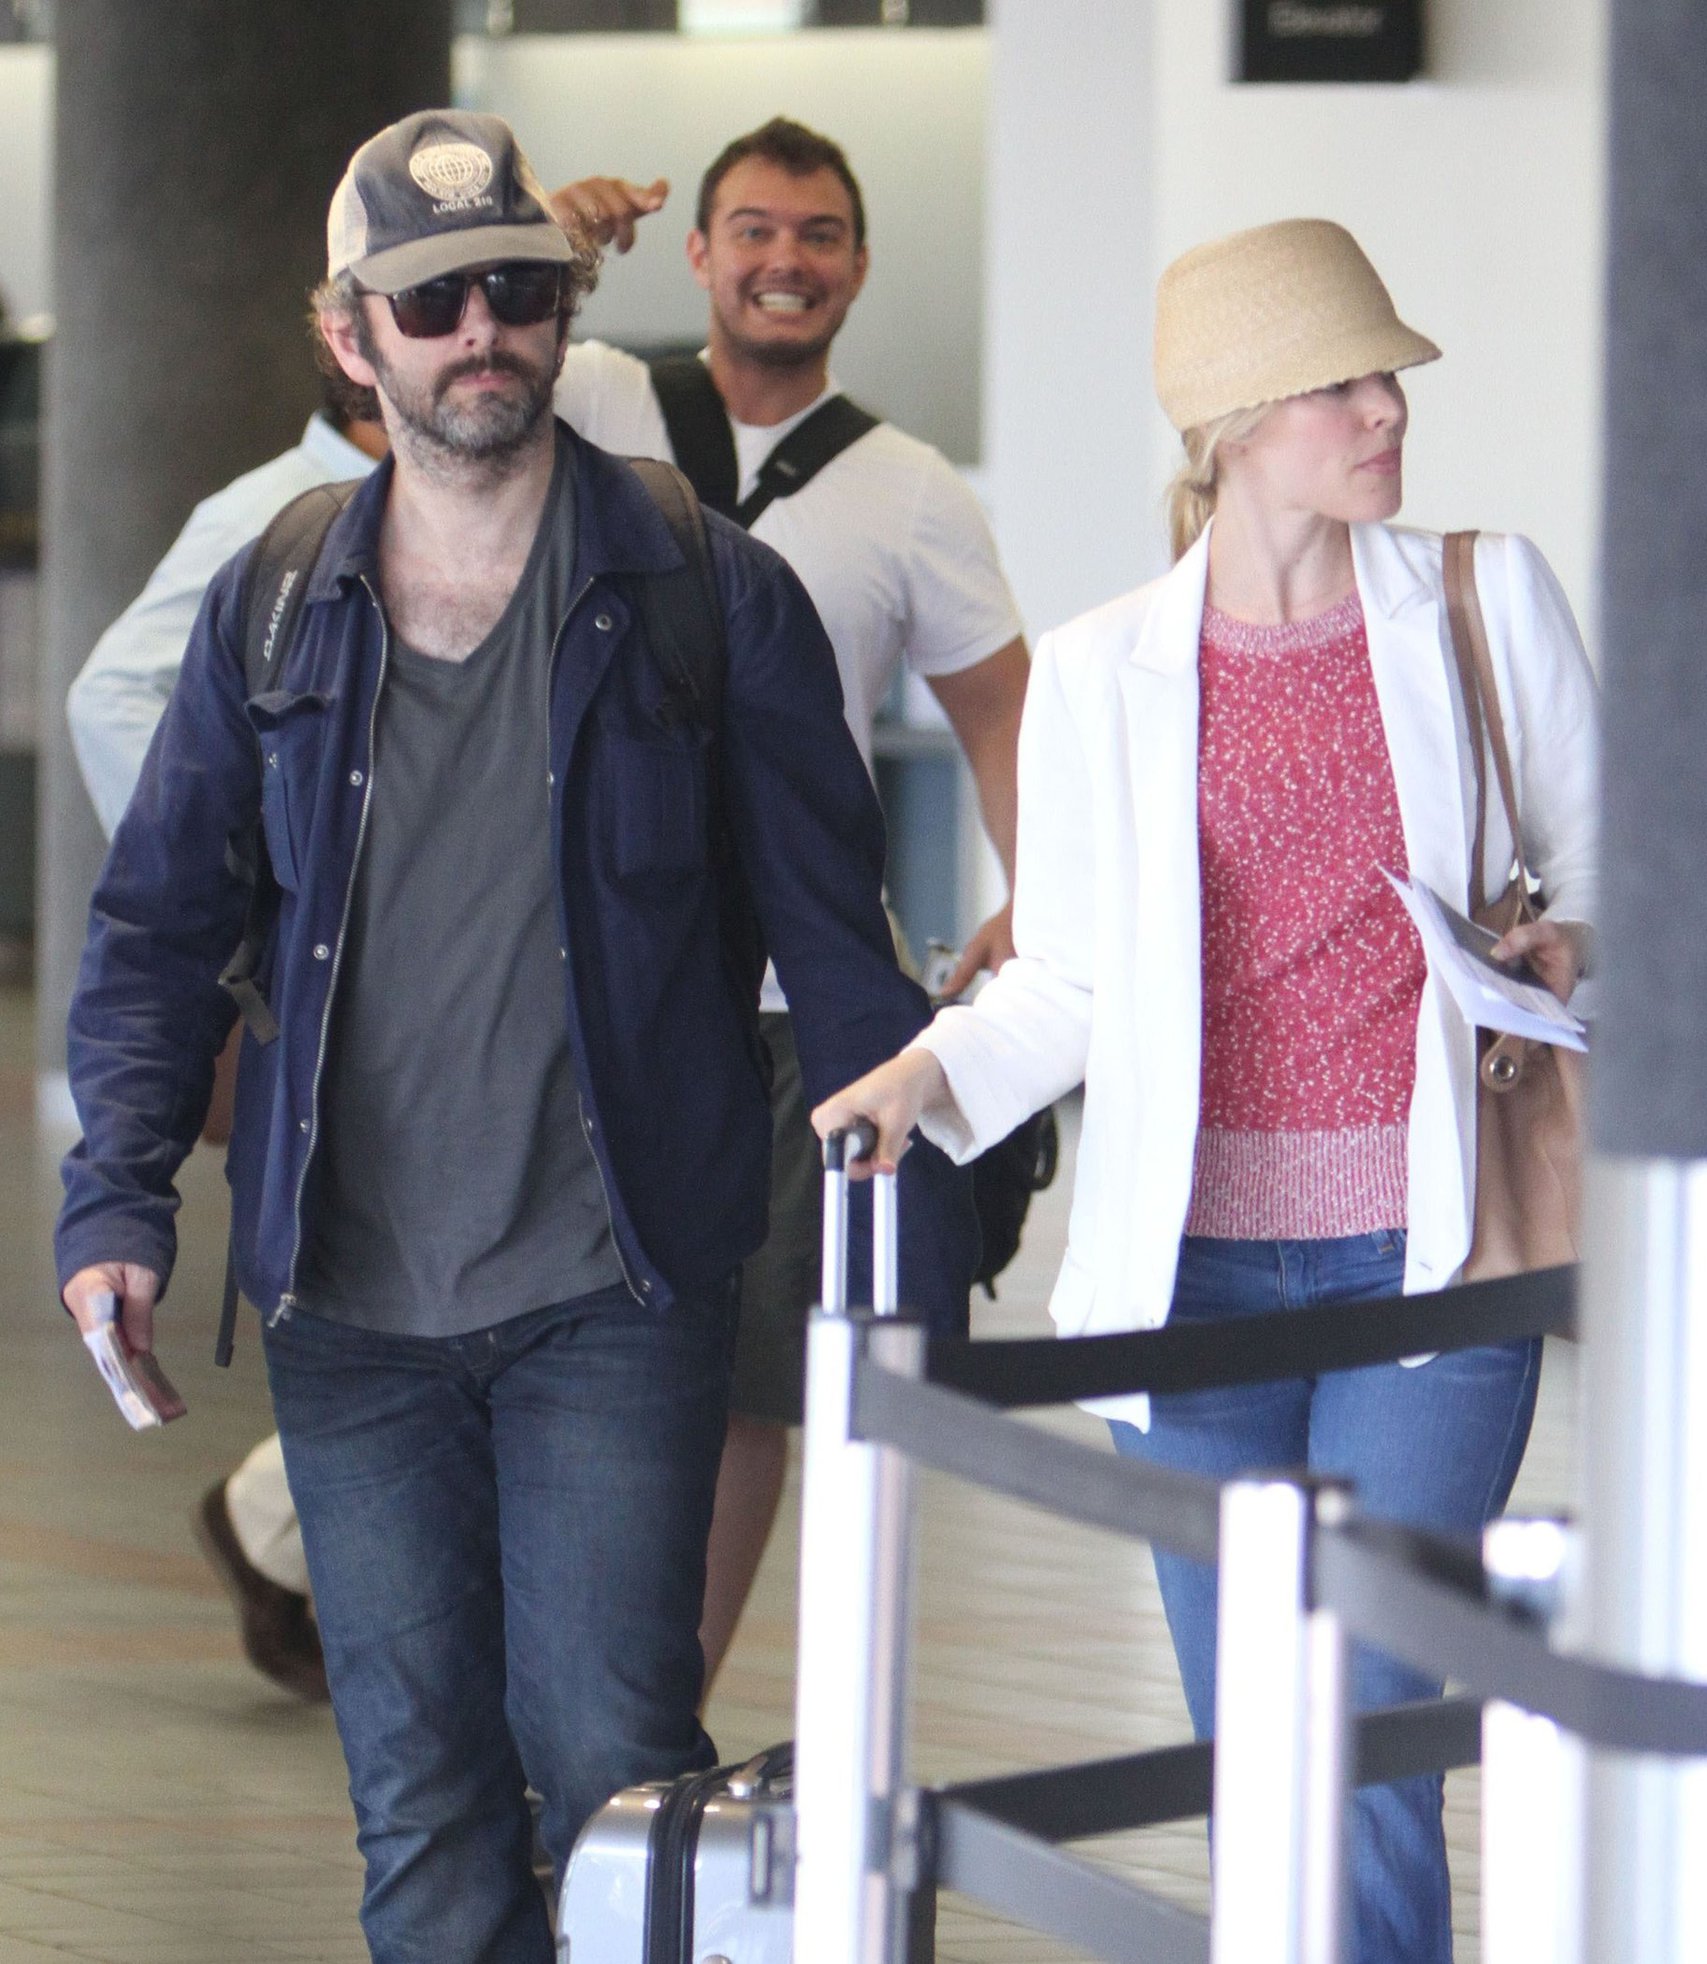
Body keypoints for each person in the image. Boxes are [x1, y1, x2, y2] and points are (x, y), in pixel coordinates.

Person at [55, 107, 973, 1964]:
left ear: (563, 315)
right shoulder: (276, 600)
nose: (485, 330)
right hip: (352, 1316)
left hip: (614, 1294)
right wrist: (117, 1200)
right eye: (436, 300)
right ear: (350, 337)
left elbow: (841, 954)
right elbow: (158, 928)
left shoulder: (707, 593)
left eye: (520, 292)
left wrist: (921, 1262)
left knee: (616, 1771)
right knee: (423, 1805)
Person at [811, 217, 1598, 1964]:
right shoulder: (1107, 673)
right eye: (1347, 383)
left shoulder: (1481, 596)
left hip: (1431, 1256)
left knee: (1366, 1734)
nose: (1393, 408)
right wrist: (926, 1074)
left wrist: (1578, 945)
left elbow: (1624, 870)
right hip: (1191, 1280)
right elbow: (1077, 981)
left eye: (1389, 376)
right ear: (1236, 424)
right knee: (1262, 1749)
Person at [551, 119, 1029, 1684]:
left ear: (860, 267)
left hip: (782, 1011)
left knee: (752, 1372)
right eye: (753, 230)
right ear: (695, 254)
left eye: (818, 235)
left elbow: (1006, 719)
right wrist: (551, 247)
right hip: (568, 976)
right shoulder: (594, 396)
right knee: (547, 1332)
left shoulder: (909, 490)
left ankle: (646, 1737)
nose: (785, 260)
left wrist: (1037, 907)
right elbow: (404, 369)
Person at [67, 369, 386, 1705]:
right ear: (345, 331)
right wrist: (259, 882)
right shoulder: (278, 514)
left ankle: (278, 1522)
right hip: (320, 1007)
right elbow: (112, 698)